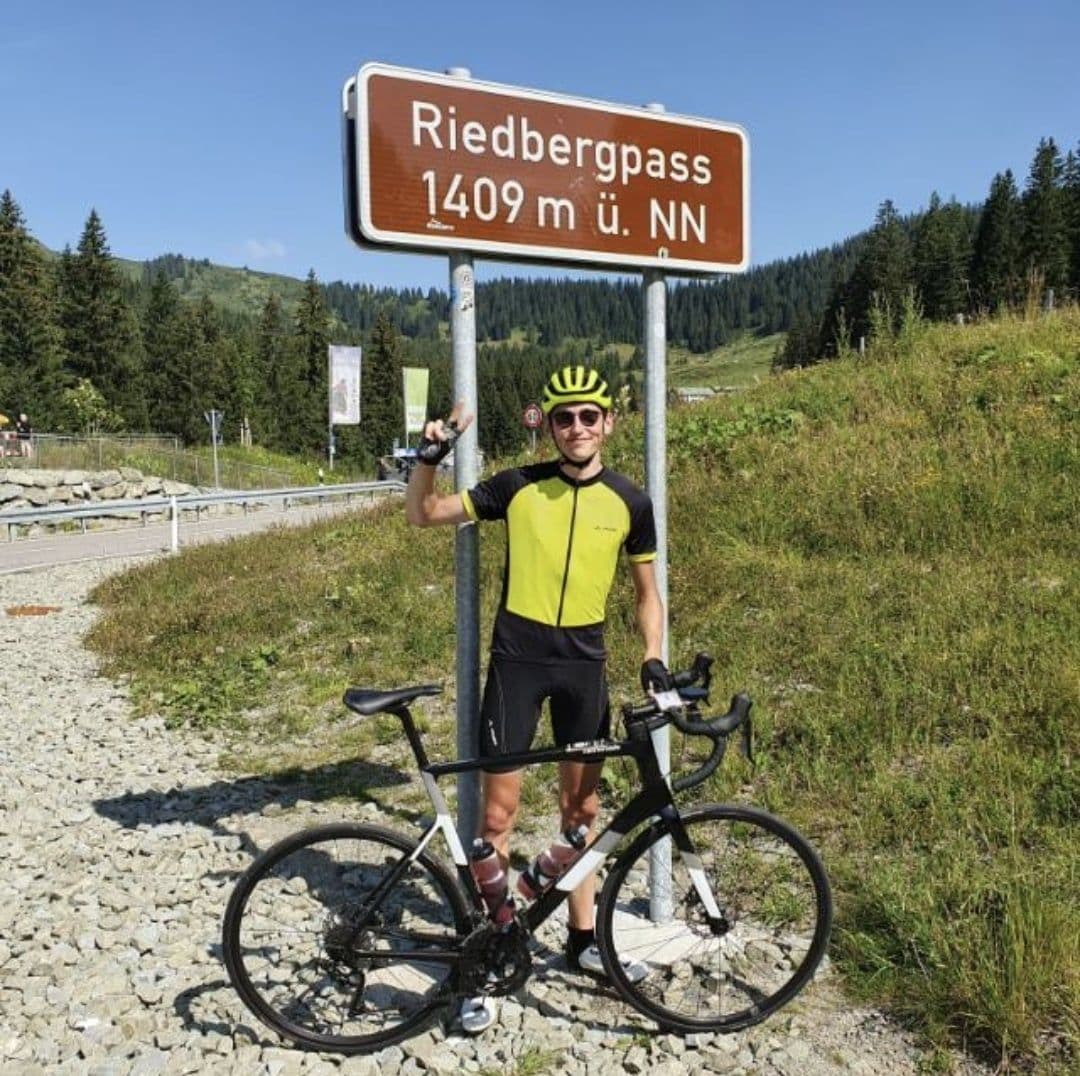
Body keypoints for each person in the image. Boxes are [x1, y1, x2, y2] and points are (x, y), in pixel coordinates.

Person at [406, 365, 675, 1033]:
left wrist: (653, 658)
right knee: (495, 818)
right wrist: (428, 458)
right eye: (565, 418)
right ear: (547, 426)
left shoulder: (631, 503)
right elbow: (424, 513)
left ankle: (583, 943)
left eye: (589, 416)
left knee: (582, 815)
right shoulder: (519, 487)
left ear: (609, 422)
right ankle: (487, 955)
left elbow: (647, 595)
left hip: (584, 666)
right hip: (518, 665)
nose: (578, 428)